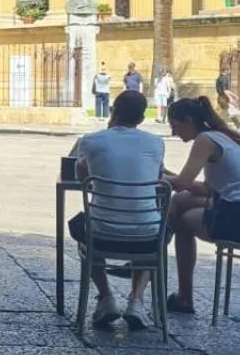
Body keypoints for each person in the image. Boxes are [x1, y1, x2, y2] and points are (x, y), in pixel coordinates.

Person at [162, 97, 240, 315]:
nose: (174, 133)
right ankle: (156, 252)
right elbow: (205, 189)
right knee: (180, 201)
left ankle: (182, 293)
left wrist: (154, 174)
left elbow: (183, 183)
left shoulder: (205, 140)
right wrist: (167, 174)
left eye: (175, 126)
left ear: (188, 120)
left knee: (182, 222)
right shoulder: (223, 137)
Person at [65, 91, 168, 330]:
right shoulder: (156, 143)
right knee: (153, 230)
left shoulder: (91, 140)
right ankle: (137, 300)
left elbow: (82, 177)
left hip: (102, 235)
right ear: (142, 118)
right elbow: (158, 179)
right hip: (146, 237)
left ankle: (106, 296)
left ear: (113, 110)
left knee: (81, 230)